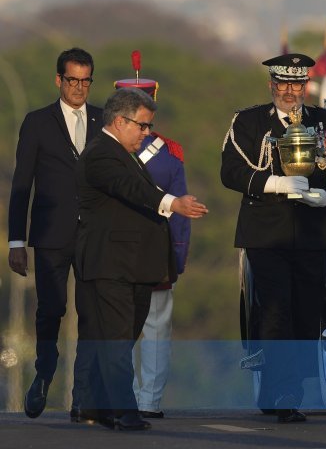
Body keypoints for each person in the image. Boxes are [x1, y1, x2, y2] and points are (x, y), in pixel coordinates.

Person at [220, 53, 326, 423]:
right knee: (275, 310)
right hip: (266, 232)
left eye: (297, 84)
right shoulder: (248, 121)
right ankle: (284, 392)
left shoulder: (325, 122)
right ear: (272, 84)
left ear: (305, 86)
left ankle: (286, 386)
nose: (290, 91)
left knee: (304, 312)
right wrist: (274, 183)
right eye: (283, 83)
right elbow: (230, 171)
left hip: (311, 231)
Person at [75, 87, 207, 430]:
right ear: (120, 121)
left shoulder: (125, 152)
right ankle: (124, 410)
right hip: (111, 264)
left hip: (134, 265)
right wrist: (172, 203)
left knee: (124, 337)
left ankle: (100, 405)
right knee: (118, 340)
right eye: (142, 126)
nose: (147, 133)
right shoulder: (101, 153)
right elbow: (130, 189)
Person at [7, 47, 101, 421]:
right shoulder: (37, 122)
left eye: (86, 81)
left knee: (92, 314)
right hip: (50, 234)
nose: (79, 88)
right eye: (73, 80)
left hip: (93, 234)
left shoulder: (103, 119)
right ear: (58, 80)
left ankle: (83, 393)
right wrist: (17, 242)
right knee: (52, 310)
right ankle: (44, 373)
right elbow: (20, 186)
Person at [112, 76, 191, 419]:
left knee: (122, 327)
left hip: (117, 254)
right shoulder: (170, 154)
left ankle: (127, 397)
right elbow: (180, 216)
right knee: (155, 329)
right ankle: (149, 401)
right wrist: (177, 257)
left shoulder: (101, 149)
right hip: (155, 254)